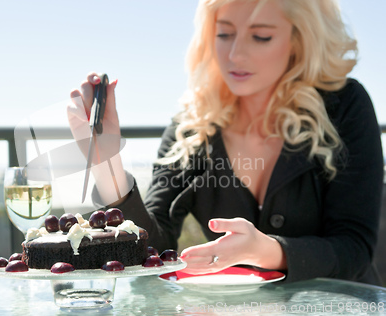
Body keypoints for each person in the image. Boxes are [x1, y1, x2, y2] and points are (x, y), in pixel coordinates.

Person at [67, 0, 383, 285]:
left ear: (298, 41)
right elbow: (152, 249)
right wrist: (106, 162)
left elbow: (355, 248)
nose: (235, 55)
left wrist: (270, 251)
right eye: (224, 34)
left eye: (261, 36)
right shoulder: (192, 126)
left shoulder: (344, 107)